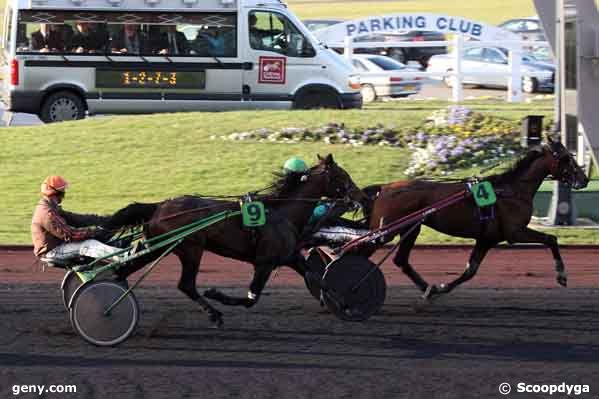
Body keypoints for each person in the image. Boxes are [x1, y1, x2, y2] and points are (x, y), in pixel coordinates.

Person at [31, 176, 123, 264]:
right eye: (63, 191)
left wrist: (103, 220)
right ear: (56, 193)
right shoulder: (48, 213)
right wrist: (96, 232)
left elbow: (76, 219)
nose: (64, 193)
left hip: (59, 245)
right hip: (52, 251)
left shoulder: (50, 205)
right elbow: (70, 234)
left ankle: (118, 250)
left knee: (94, 238)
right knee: (89, 244)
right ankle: (123, 256)